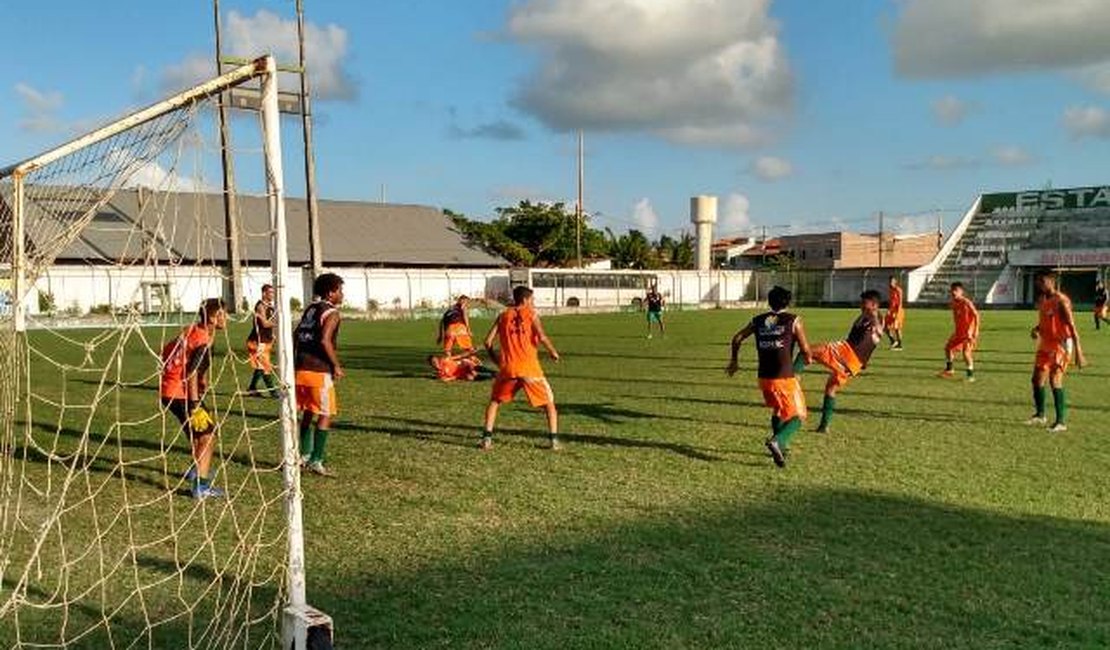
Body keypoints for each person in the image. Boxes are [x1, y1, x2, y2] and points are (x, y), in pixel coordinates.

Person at [726, 286, 812, 468]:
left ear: (769, 301)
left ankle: (781, 447)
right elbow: (805, 350)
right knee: (799, 416)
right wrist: (808, 359)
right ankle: (777, 441)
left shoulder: (757, 320)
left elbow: (737, 338)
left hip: (764, 377)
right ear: (788, 302)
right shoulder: (794, 320)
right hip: (784, 377)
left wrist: (734, 361)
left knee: (779, 410)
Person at [160, 298, 227, 499]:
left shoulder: (191, 330)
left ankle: (196, 470)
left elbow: (166, 352)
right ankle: (201, 486)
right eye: (224, 314)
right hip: (182, 393)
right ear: (215, 318)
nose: (227, 319)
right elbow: (191, 372)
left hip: (169, 389)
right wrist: (195, 404)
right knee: (207, 437)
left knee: (199, 434)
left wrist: (202, 379)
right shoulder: (203, 340)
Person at [481, 285, 561, 451]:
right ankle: (554, 441)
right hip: (530, 369)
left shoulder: (502, 315)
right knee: (549, 404)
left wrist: (497, 361)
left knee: (495, 401)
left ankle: (486, 439)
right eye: (532, 300)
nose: (533, 303)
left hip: (508, 369)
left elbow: (487, 342)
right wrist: (553, 352)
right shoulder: (531, 315)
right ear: (525, 300)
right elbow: (542, 336)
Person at [799, 289, 884, 433]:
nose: (861, 305)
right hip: (854, 363)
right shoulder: (865, 316)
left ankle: (792, 377)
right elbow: (871, 341)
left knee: (807, 350)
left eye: (865, 303)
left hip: (847, 353)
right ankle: (824, 426)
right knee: (831, 388)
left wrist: (873, 316)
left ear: (875, 305)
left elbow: (877, 329)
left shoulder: (874, 317)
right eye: (861, 303)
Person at [294, 273, 345, 477]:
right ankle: (316, 459)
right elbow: (325, 341)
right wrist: (336, 365)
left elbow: (295, 334)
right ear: (331, 292)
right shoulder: (332, 313)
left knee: (307, 410)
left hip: (300, 369)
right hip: (318, 370)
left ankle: (303, 455)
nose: (342, 294)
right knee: (325, 413)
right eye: (340, 290)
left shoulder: (311, 308)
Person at [1028, 270, 1085, 432]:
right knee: (1036, 379)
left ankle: (1061, 422)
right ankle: (1040, 415)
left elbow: (1071, 326)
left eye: (1042, 281)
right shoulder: (1043, 299)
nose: (1039, 284)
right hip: (1046, 343)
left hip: (1061, 344)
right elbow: (1046, 320)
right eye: (1038, 281)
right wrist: (1036, 329)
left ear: (1052, 281)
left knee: (1055, 379)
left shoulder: (1062, 301)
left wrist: (1078, 351)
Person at [940, 282, 979, 381]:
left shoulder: (966, 302)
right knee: (948, 348)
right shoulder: (953, 303)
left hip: (968, 333)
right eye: (952, 290)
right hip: (958, 332)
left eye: (956, 290)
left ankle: (970, 376)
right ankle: (949, 370)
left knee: (966, 353)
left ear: (961, 292)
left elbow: (976, 315)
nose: (953, 292)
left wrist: (975, 330)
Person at [246, 284, 277, 397]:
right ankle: (273, 392)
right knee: (265, 366)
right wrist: (280, 322)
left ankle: (252, 388)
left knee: (261, 366)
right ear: (264, 293)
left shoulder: (271, 307)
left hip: (266, 339)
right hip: (257, 340)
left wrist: (273, 334)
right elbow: (265, 323)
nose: (273, 295)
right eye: (270, 292)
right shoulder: (260, 306)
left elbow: (270, 323)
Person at [427, 351, 494, 382]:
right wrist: (456, 377)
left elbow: (459, 356)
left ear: (438, 359)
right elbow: (449, 379)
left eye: (436, 361)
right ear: (431, 365)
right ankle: (490, 377)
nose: (435, 363)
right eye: (433, 363)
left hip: (463, 365)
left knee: (471, 368)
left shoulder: (445, 360)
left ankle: (493, 372)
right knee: (469, 378)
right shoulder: (440, 374)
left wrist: (469, 353)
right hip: (460, 374)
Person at [884, 276, 905, 350]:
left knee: (897, 328)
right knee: (885, 326)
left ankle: (900, 345)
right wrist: (889, 310)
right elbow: (891, 302)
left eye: (892, 281)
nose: (890, 283)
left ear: (895, 282)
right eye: (889, 281)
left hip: (898, 311)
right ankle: (893, 341)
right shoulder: (891, 290)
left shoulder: (898, 290)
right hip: (891, 311)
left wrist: (897, 314)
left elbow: (900, 303)